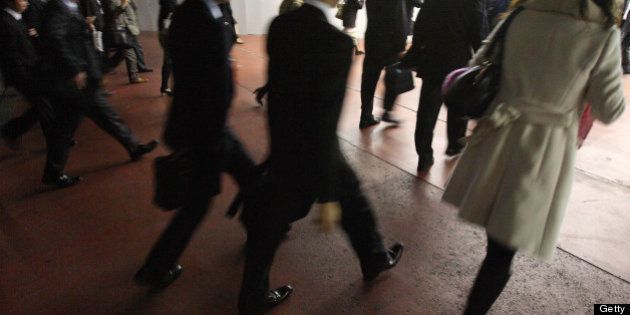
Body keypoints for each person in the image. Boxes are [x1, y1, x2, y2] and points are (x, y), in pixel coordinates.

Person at [442, 0, 625, 313]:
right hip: (541, 148)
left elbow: (479, 60)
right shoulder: (602, 33)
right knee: (503, 249)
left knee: (495, 240)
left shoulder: (521, 14)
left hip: (497, 135)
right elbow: (610, 107)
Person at [238, 1, 404, 313]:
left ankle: (374, 258)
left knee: (346, 197)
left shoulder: (279, 26)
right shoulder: (337, 42)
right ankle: (251, 297)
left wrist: (278, 148)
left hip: (287, 141)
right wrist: (327, 196)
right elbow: (325, 121)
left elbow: (280, 93)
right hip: (314, 149)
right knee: (277, 218)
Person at [133, 0, 259, 289]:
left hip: (203, 124)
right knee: (198, 203)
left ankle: (261, 227)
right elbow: (209, 79)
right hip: (206, 130)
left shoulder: (196, 12)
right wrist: (214, 137)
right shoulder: (199, 15)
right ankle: (155, 269)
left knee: (248, 177)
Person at [38, 0, 158, 187]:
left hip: (86, 80)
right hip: (76, 82)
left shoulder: (69, 7)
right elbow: (55, 38)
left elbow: (71, 39)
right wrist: (74, 70)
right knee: (65, 129)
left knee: (108, 117)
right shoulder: (59, 8)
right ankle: (53, 172)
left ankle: (134, 147)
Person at [401, 0, 487, 172]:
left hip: (432, 60)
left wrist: (418, 49)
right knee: (457, 107)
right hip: (458, 64)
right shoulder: (472, 3)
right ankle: (455, 145)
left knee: (427, 110)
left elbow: (420, 27)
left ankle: (424, 155)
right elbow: (478, 36)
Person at [0, 0, 72, 185]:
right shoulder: (5, 22)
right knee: (47, 111)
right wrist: (34, 76)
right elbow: (14, 58)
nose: (26, 2)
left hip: (31, 74)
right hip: (25, 77)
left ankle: (12, 130)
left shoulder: (15, 19)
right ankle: (55, 165)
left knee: (42, 109)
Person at [359, 0, 408, 128]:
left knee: (368, 79)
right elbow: (398, 21)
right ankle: (387, 111)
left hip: (372, 39)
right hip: (389, 44)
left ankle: (365, 115)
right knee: (394, 77)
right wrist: (401, 46)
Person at [106, 0, 150, 83]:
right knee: (130, 52)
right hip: (124, 29)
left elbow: (133, 11)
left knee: (124, 52)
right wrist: (123, 5)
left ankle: (108, 66)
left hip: (130, 29)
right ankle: (134, 76)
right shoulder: (114, 1)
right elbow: (113, 15)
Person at [157, 0, 175, 96]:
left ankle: (164, 86)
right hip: (167, 34)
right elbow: (171, 10)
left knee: (169, 60)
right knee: (169, 60)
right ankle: (164, 87)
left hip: (165, 32)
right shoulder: (168, 3)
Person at [621, 0, 630, 73]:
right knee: (624, 44)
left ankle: (626, 67)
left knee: (624, 43)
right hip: (625, 21)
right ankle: (626, 67)